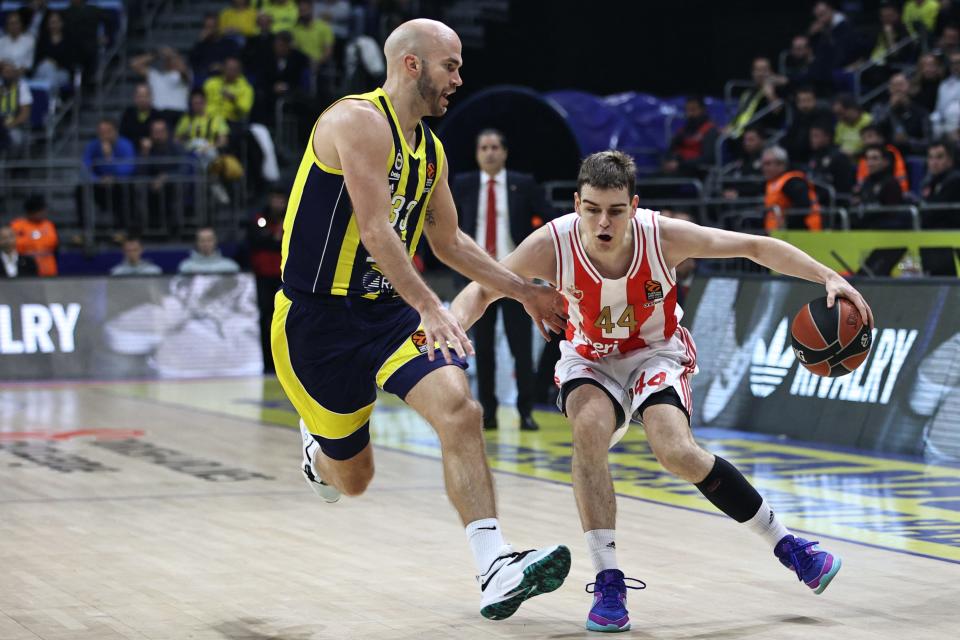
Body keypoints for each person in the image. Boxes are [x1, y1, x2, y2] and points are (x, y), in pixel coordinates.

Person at [451, 150, 873, 633]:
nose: (602, 222)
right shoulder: (554, 242)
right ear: (576, 203)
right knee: (588, 429)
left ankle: (789, 545)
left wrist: (829, 276)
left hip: (656, 353)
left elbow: (754, 247)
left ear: (633, 205)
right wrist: (452, 327)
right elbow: (482, 287)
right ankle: (609, 580)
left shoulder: (662, 235)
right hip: (590, 357)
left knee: (676, 452)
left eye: (614, 210)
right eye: (591, 209)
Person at [271, 18, 570, 621]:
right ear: (413, 65)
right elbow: (378, 231)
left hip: (386, 315)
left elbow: (450, 241)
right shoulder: (355, 120)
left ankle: (494, 565)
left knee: (461, 410)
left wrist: (523, 292)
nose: (459, 78)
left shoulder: (429, 151)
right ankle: (317, 452)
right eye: (450, 66)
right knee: (352, 480)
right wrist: (431, 305)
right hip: (317, 324)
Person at [451, 128, 553, 431]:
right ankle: (489, 413)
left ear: (505, 152)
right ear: (477, 153)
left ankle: (525, 411)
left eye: (495, 147)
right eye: (484, 148)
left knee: (520, 348)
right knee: (482, 351)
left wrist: (537, 261)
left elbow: (549, 218)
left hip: (516, 278)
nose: (490, 152)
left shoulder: (523, 184)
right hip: (478, 278)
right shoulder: (464, 185)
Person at [762, 146, 822, 232]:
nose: (764, 168)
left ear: (781, 164)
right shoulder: (773, 182)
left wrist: (787, 223)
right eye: (764, 164)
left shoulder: (792, 181)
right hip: (778, 234)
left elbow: (803, 205)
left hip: (804, 232)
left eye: (768, 164)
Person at [11, 194, 58, 276]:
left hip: (49, 270)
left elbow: (54, 244)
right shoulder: (17, 225)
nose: (44, 213)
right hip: (25, 269)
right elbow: (14, 246)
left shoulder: (48, 224)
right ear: (32, 211)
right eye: (41, 210)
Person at [921, 141, 960, 228]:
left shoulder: (955, 181)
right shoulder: (929, 181)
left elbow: (934, 213)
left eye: (939, 157)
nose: (934, 162)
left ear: (950, 160)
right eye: (930, 157)